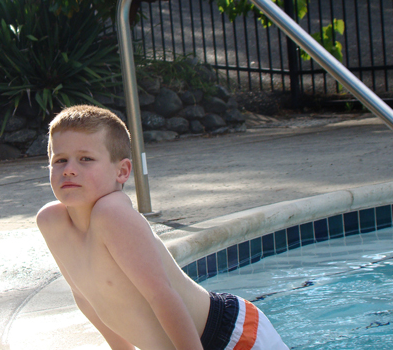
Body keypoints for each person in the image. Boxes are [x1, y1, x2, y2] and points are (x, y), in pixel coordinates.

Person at [37, 105, 288, 350]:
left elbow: (161, 295)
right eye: (60, 160)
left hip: (230, 337)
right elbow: (86, 297)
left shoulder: (111, 213)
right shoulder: (52, 222)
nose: (69, 170)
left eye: (86, 159)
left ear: (122, 171)